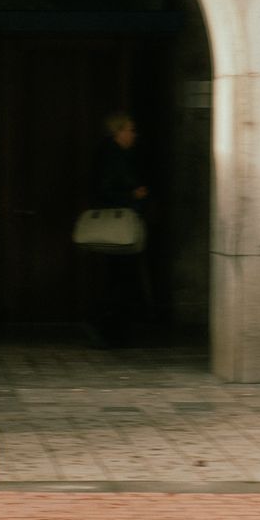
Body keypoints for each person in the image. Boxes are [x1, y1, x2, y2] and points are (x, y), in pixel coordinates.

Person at [86, 111, 150, 349]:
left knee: (120, 279)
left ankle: (112, 329)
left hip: (122, 227)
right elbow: (104, 190)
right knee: (122, 279)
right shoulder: (113, 156)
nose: (134, 134)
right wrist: (133, 195)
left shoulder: (118, 154)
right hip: (119, 228)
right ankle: (105, 326)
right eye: (130, 130)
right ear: (118, 132)